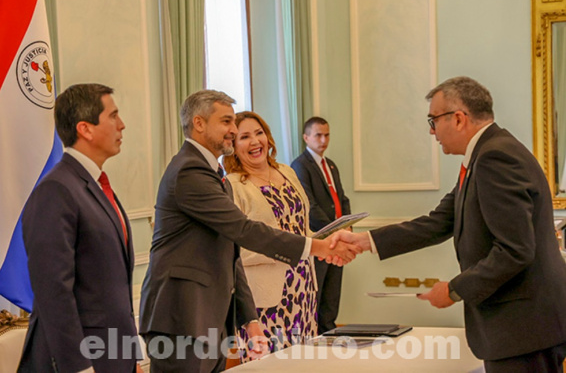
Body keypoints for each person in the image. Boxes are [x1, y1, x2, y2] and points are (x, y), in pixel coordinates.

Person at [332, 76, 566, 372]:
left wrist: (455, 289)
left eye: (433, 120)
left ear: (458, 118)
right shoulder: (486, 153)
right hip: (523, 324)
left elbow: (515, 250)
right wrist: (367, 241)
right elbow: (439, 221)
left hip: (523, 325)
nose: (431, 131)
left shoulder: (495, 157)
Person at [139, 90, 360, 372]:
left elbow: (229, 250)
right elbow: (243, 231)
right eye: (227, 122)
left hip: (208, 313)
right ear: (199, 123)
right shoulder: (189, 170)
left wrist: (248, 318)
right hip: (182, 314)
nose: (233, 130)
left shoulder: (209, 170)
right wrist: (317, 247)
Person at [18, 84, 141, 372]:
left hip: (114, 355)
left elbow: (115, 289)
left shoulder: (95, 184)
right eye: (113, 116)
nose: (122, 125)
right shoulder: (56, 190)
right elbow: (53, 292)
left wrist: (132, 355)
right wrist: (78, 367)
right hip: (81, 361)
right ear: (85, 129)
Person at [223, 111, 318, 358]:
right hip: (265, 300)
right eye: (245, 137)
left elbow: (301, 228)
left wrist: (323, 241)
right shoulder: (232, 185)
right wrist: (285, 250)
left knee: (304, 362)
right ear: (233, 145)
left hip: (304, 287)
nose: (255, 142)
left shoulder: (287, 171)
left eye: (259, 133)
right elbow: (235, 249)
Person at [291, 117, 351, 334]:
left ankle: (329, 331)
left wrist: (348, 224)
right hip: (319, 238)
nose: (323, 139)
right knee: (318, 290)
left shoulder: (331, 165)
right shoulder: (300, 165)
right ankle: (315, 335)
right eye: (318, 135)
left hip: (338, 236)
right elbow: (309, 204)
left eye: (327, 134)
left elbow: (342, 197)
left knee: (333, 292)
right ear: (306, 137)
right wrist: (335, 230)